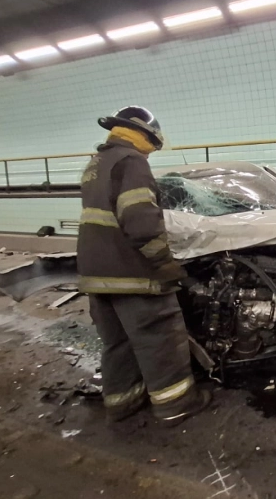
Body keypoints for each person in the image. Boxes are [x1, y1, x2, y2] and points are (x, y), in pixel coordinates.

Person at [78, 106, 211, 425]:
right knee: (161, 339)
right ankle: (176, 405)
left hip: (95, 273)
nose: (151, 154)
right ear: (146, 136)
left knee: (118, 343)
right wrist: (165, 265)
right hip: (132, 273)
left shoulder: (96, 163)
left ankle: (122, 403)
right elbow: (140, 221)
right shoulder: (131, 161)